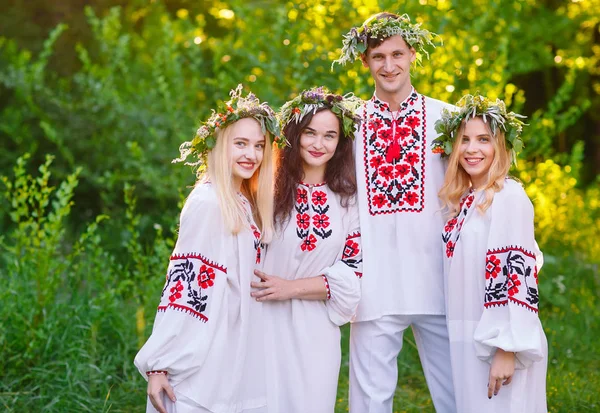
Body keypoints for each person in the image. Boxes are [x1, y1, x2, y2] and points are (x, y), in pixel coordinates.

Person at [332, 12, 457, 412]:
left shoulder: (447, 119)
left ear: (413, 55)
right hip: (375, 281)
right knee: (369, 401)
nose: (389, 65)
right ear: (364, 61)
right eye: (378, 56)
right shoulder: (349, 125)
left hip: (439, 278)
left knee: (460, 392)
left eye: (397, 54)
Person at [134, 85, 283, 413]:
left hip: (235, 347)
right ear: (218, 146)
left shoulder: (242, 201)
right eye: (240, 143)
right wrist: (160, 364)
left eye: (259, 146)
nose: (252, 155)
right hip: (206, 354)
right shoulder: (208, 202)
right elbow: (186, 287)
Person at [249, 86, 363, 413]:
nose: (318, 143)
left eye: (329, 135)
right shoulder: (264, 188)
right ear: (295, 134)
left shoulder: (348, 200)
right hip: (262, 322)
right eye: (310, 133)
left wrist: (290, 288)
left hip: (316, 331)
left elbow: (354, 273)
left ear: (340, 142)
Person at [434, 94, 548, 412]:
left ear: (500, 146)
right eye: (465, 140)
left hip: (499, 344)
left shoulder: (509, 196)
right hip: (467, 338)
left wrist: (506, 349)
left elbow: (517, 275)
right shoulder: (467, 202)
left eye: (483, 139)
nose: (472, 149)